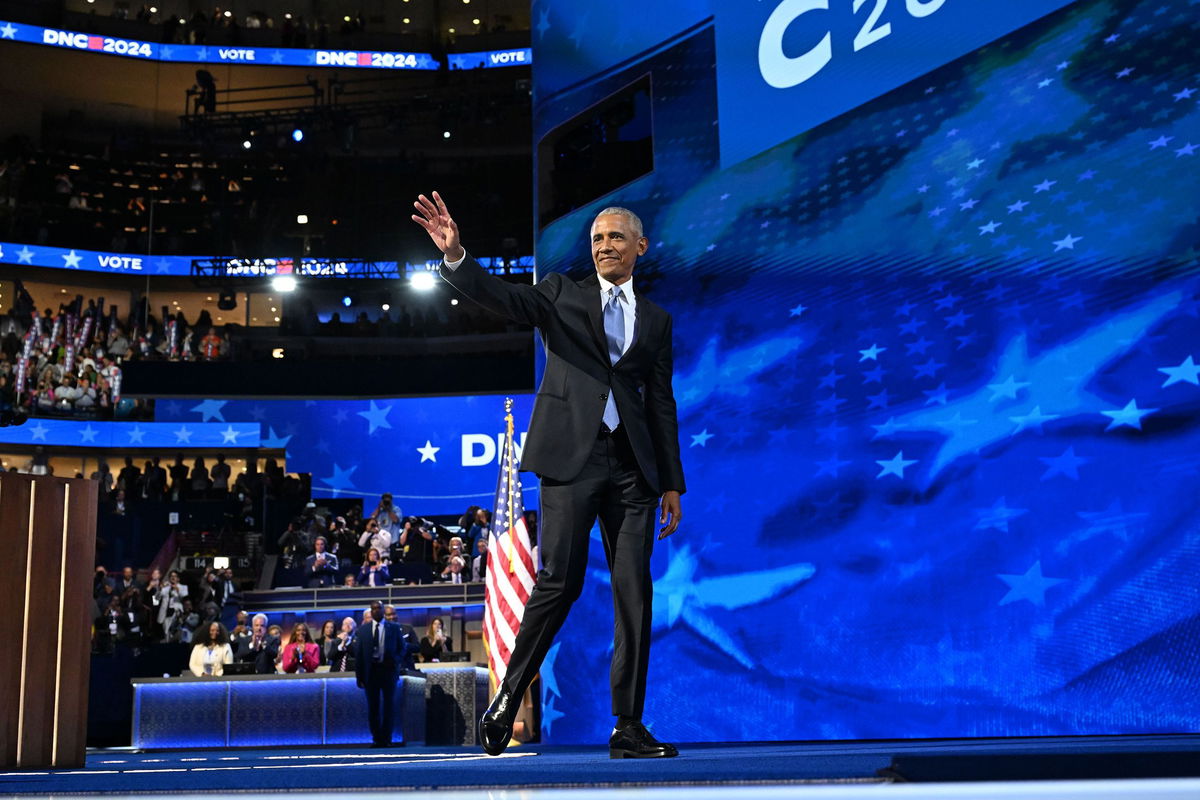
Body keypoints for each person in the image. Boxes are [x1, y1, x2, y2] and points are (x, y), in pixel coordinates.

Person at [413, 193, 685, 759]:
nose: (605, 246)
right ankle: (508, 696)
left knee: (635, 592)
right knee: (559, 582)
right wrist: (458, 256)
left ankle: (628, 726)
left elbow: (660, 401)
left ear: (640, 246)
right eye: (597, 240)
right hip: (571, 460)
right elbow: (507, 299)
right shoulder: (562, 292)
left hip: (634, 470)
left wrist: (673, 482)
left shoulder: (657, 322)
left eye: (615, 237)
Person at [353, 600, 404, 747]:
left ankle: (387, 739)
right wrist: (359, 677)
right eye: (373, 609)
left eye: (379, 608)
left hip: (388, 672)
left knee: (389, 706)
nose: (376, 611)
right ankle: (376, 739)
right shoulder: (363, 630)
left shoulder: (393, 628)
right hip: (371, 673)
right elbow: (359, 656)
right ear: (370, 611)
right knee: (373, 707)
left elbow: (402, 648)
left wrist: (395, 661)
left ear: (383, 610)